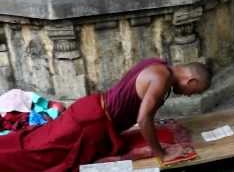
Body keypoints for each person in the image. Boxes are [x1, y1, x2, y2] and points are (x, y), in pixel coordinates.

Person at [0, 58, 212, 171]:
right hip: (91, 122)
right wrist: (161, 154)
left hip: (91, 111)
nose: (189, 96)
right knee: (39, 154)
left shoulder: (157, 64)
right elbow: (143, 118)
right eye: (195, 92)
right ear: (191, 81)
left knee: (36, 142)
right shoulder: (161, 78)